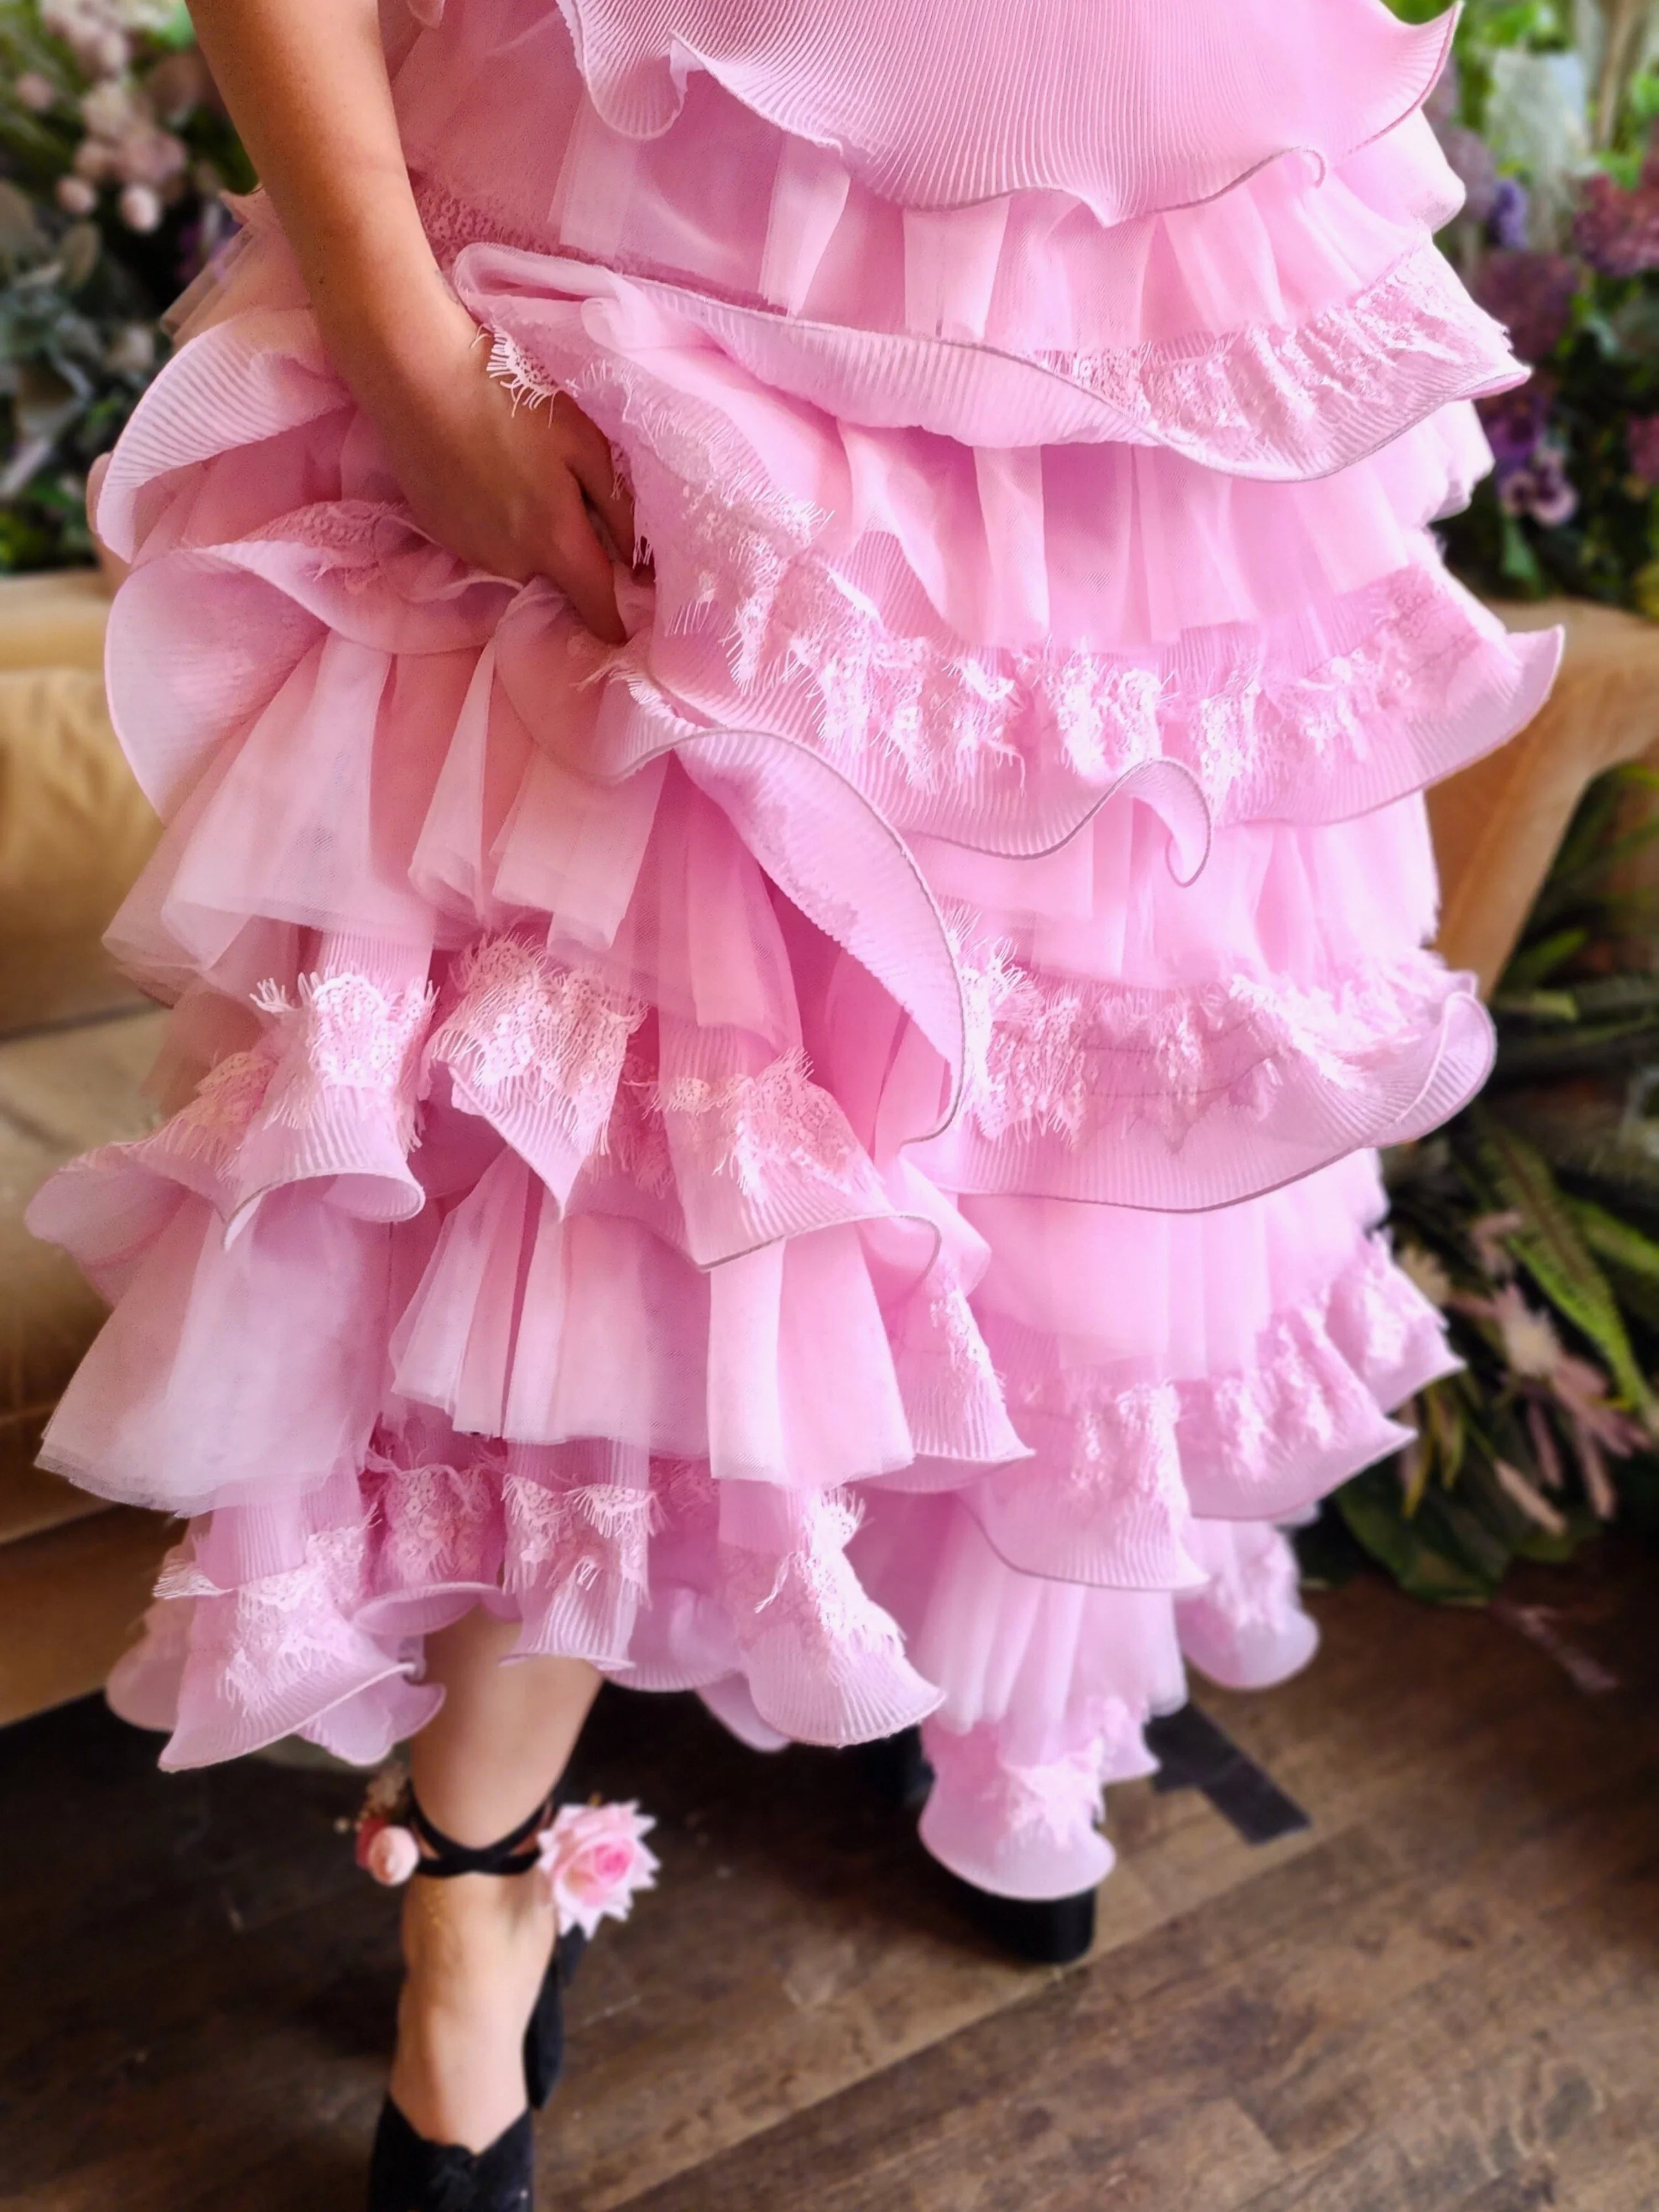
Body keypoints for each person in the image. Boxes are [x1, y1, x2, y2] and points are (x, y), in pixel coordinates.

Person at [29, 0, 1561, 2203]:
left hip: (1155, 228)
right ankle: (477, 1869)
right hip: (667, 216)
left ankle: (1020, 1680)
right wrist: (402, 340)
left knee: (1098, 987)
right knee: (631, 1098)